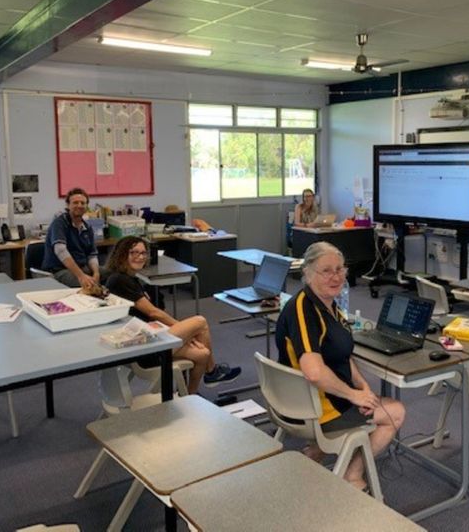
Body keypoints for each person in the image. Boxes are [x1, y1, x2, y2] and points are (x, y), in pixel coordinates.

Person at [274, 241, 405, 491]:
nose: (336, 277)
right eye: (327, 271)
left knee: (373, 400)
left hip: (303, 400)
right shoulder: (304, 309)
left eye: (340, 269)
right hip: (315, 409)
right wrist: (355, 395)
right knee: (395, 412)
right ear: (308, 273)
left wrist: (363, 386)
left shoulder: (328, 304)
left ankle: (316, 452)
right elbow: (314, 371)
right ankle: (351, 475)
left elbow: (342, 355)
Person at [105, 235, 241, 393]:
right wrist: (186, 331)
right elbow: (153, 312)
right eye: (134, 252)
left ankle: (190, 396)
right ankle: (211, 372)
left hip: (147, 337)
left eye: (143, 253)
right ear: (122, 254)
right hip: (143, 349)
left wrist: (186, 333)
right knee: (200, 322)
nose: (140, 257)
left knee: (203, 354)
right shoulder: (120, 280)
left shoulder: (130, 279)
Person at [42, 188, 100, 289]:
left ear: (87, 206)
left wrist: (96, 273)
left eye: (83, 203)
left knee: (114, 277)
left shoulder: (87, 227)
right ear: (68, 205)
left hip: (82, 268)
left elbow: (92, 255)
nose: (79, 205)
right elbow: (60, 250)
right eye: (75, 202)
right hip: (60, 271)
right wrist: (81, 276)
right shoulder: (59, 223)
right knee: (88, 285)